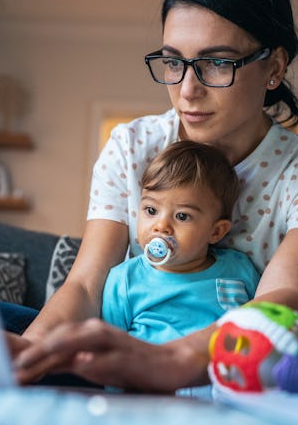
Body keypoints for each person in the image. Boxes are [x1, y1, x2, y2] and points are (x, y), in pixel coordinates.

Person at [7, 0, 298, 393]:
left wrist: (173, 359)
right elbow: (86, 285)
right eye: (174, 62)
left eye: (217, 63)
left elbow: (279, 301)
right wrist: (29, 354)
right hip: (122, 353)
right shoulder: (131, 146)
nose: (187, 89)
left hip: (232, 365)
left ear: (273, 67)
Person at [101, 140, 261, 347]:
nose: (161, 226)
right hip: (147, 376)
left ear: (216, 231)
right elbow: (110, 352)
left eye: (182, 216)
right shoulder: (124, 280)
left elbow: (262, 329)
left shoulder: (238, 269)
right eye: (151, 211)